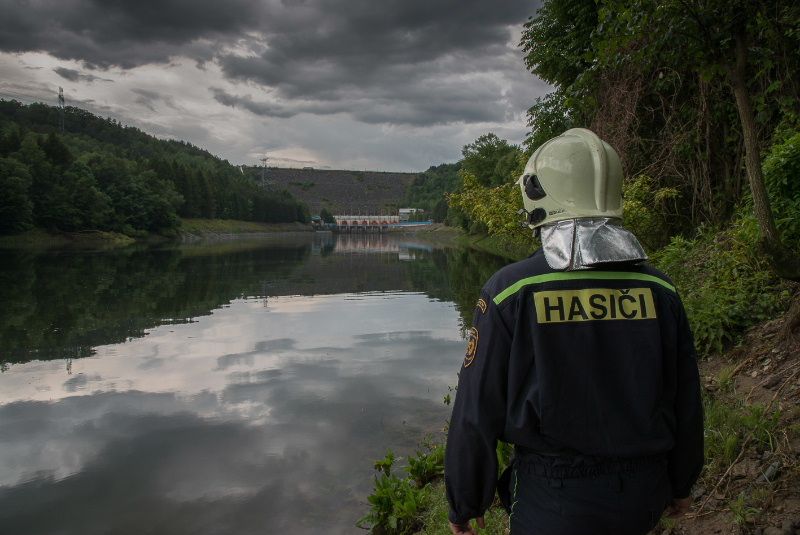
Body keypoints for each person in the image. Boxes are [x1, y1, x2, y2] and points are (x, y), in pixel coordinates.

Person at [444, 128, 704, 535]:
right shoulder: (660, 290)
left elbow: (477, 408)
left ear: (537, 195)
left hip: (554, 496)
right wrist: (682, 481)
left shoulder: (511, 291)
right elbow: (686, 397)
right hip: (644, 491)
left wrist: (466, 499)